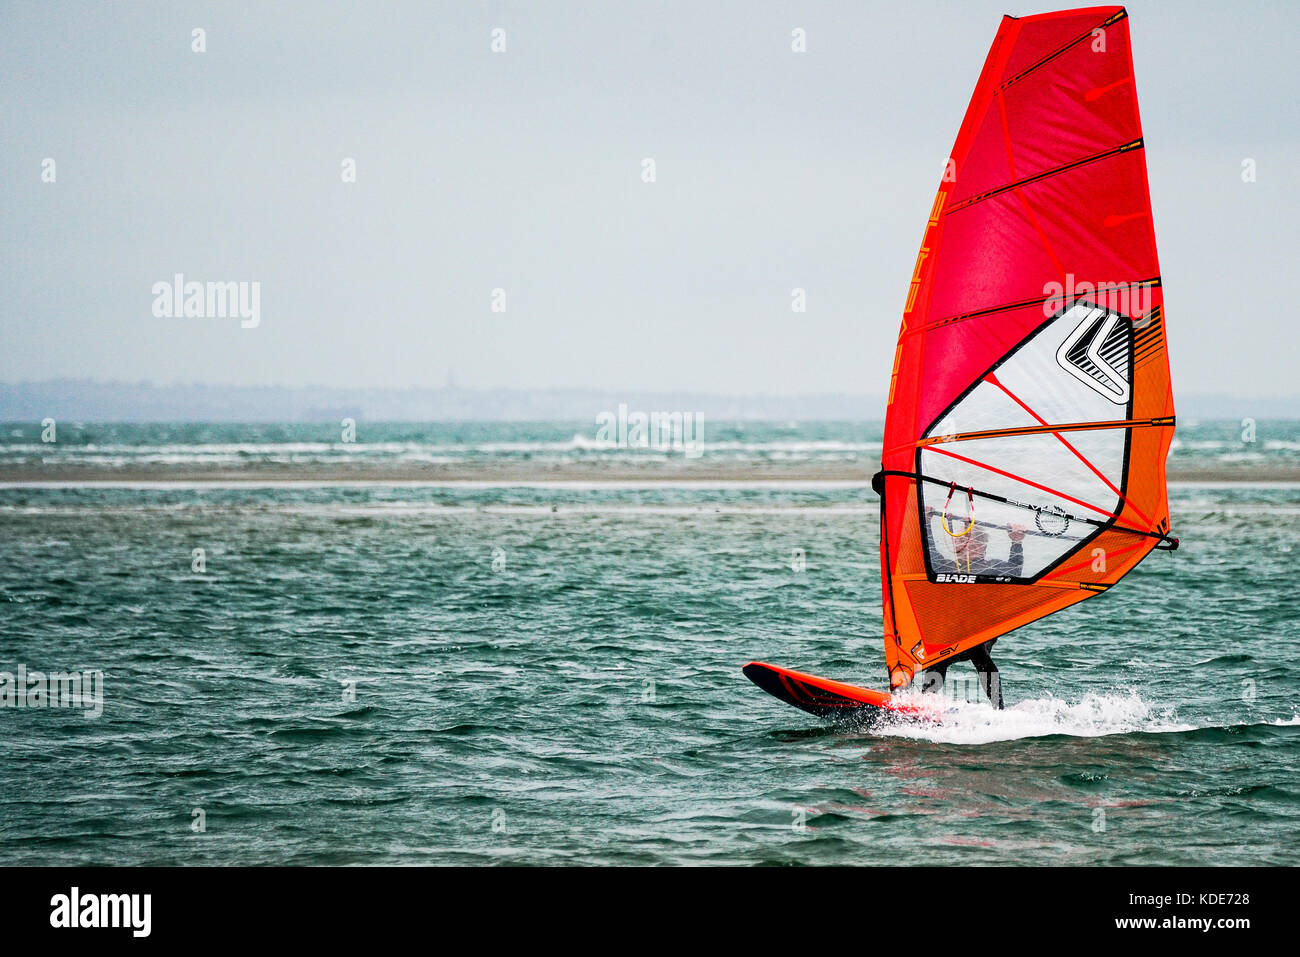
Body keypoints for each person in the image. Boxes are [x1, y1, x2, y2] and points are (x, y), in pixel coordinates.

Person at [919, 515, 1026, 709]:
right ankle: (924, 705)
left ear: (979, 546)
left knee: (977, 651)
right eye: (957, 539)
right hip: (952, 632)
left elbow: (1015, 571)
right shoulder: (949, 567)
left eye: (961, 540)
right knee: (937, 661)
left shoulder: (992, 567)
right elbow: (930, 553)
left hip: (981, 632)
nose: (956, 543)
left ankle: (999, 709)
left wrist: (1016, 542)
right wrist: (926, 522)